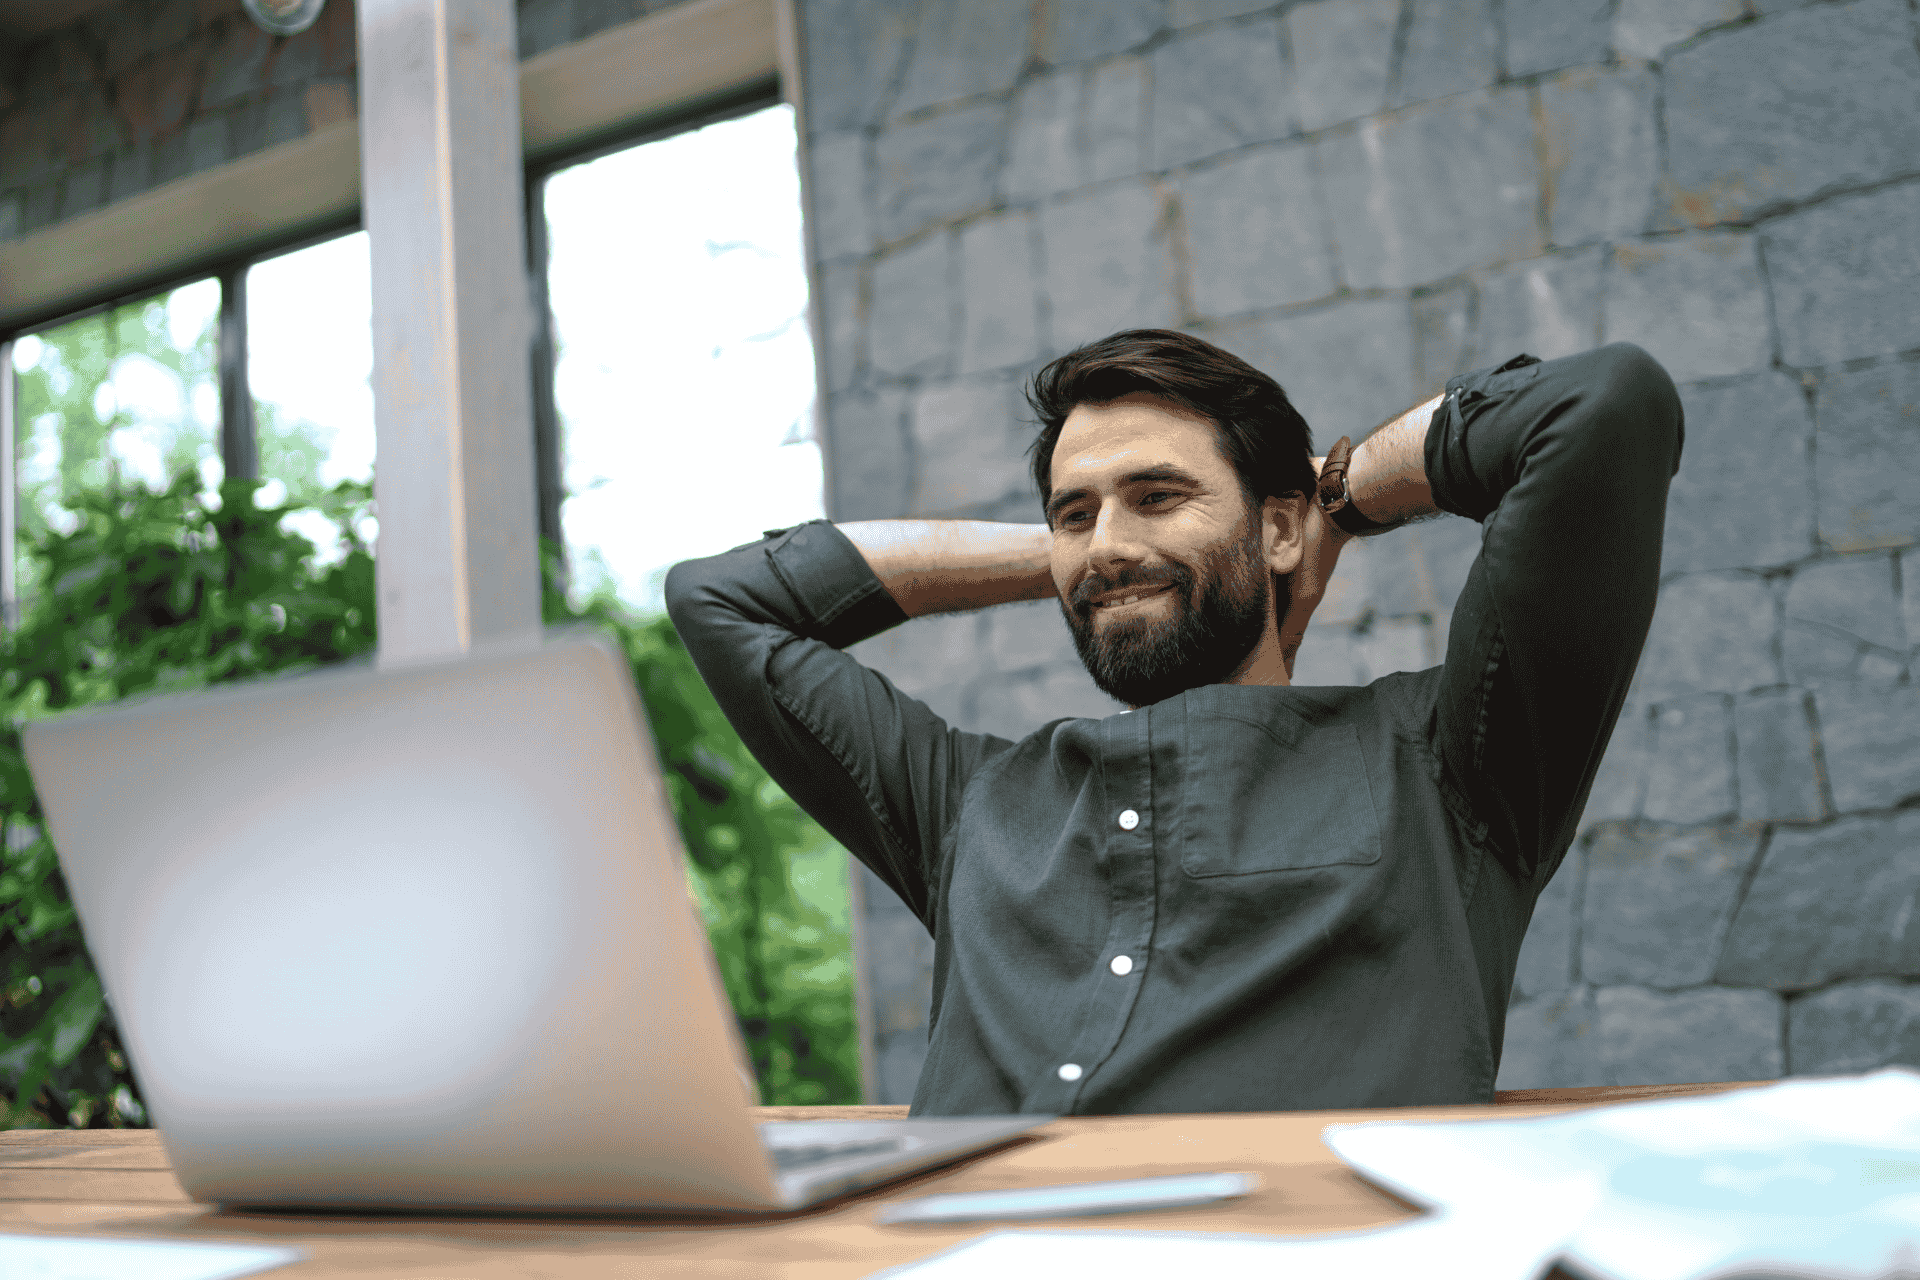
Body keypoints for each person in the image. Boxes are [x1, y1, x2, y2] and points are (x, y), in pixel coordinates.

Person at [664, 331, 1683, 1116]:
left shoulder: (1449, 768)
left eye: (1158, 494)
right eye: (1075, 511)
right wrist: (1081, 556)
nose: (1106, 541)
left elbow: (1601, 406)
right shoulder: (967, 803)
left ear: (1277, 526)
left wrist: (1340, 495)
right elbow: (720, 599)